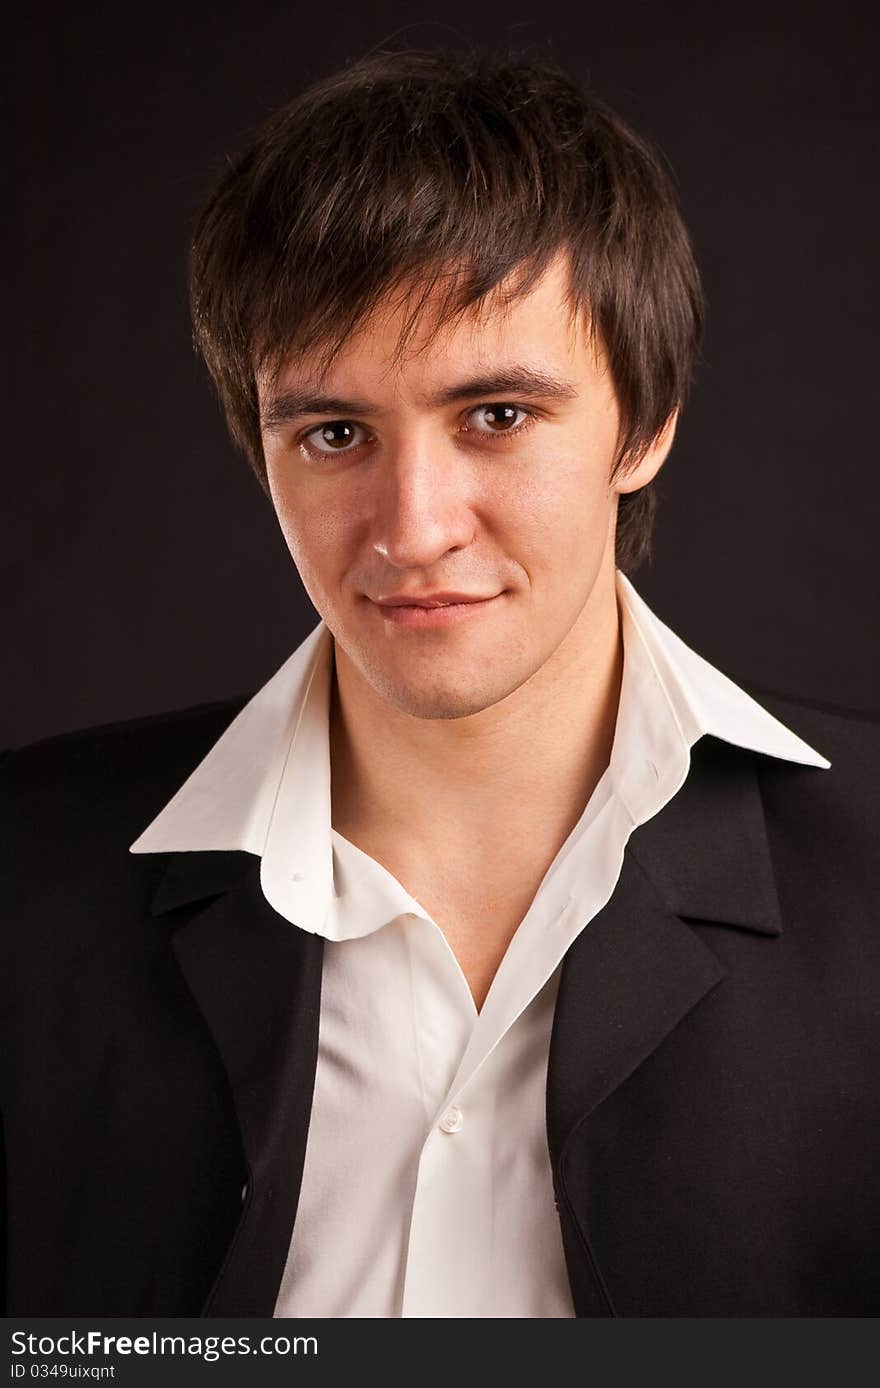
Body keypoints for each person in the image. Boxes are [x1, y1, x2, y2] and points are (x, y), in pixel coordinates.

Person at [2, 46, 878, 1320]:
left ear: (645, 421)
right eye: (334, 433)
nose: (411, 527)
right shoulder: (25, 877)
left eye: (497, 415)